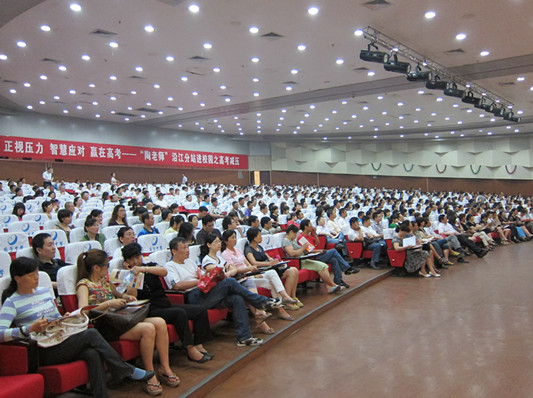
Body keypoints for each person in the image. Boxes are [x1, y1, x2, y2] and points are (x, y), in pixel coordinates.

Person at [0, 257, 156, 398]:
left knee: (92, 353)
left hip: (59, 338)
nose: (36, 278)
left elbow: (55, 317)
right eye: (31, 275)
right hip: (41, 349)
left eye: (37, 274)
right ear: (18, 278)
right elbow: (1, 334)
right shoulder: (12, 302)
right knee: (91, 334)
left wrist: (64, 317)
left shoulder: (44, 293)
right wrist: (29, 329)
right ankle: (124, 370)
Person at [76, 249, 179, 396]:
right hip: (105, 324)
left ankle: (165, 367)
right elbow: (83, 310)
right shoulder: (84, 285)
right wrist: (108, 304)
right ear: (96, 267)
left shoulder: (105, 281)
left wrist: (127, 297)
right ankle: (150, 375)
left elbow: (119, 294)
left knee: (160, 323)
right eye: (106, 265)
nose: (108, 269)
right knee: (148, 329)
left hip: (119, 318)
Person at [164, 237, 283, 346]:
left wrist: (208, 278)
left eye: (188, 247)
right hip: (193, 297)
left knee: (237, 299)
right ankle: (262, 302)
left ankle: (244, 337)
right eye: (184, 248)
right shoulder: (169, 266)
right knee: (230, 282)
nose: (188, 250)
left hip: (205, 291)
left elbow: (202, 275)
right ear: (174, 251)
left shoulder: (190, 262)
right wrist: (200, 280)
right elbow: (178, 286)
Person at [121, 243, 213, 363]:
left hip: (164, 303)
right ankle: (190, 349)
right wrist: (134, 275)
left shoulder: (150, 266)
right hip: (150, 308)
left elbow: (164, 272)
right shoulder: (128, 276)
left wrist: (143, 269)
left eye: (137, 257)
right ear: (127, 261)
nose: (136, 261)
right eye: (131, 259)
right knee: (179, 313)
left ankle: (199, 345)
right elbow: (132, 297)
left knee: (199, 310)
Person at [201, 234, 277, 334]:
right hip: (217, 289)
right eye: (216, 242)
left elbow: (232, 269)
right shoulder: (207, 259)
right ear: (208, 245)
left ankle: (260, 315)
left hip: (228, 283)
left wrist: (229, 271)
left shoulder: (219, 258)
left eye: (219, 241)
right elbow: (217, 273)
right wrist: (228, 271)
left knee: (247, 283)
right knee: (242, 286)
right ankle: (261, 306)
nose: (219, 244)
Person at [241, 228, 301, 310]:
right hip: (264, 270)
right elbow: (254, 263)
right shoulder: (248, 249)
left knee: (294, 270)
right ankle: (285, 299)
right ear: (254, 238)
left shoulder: (259, 247)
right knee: (291, 272)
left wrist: (274, 261)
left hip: (271, 267)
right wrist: (269, 263)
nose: (261, 237)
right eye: (259, 235)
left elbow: (269, 258)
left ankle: (292, 297)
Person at [299, 219, 358, 288]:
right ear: (306, 227)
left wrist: (314, 233)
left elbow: (317, 243)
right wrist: (319, 251)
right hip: (312, 257)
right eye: (310, 225)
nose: (312, 226)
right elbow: (308, 251)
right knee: (333, 251)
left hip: (317, 254)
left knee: (334, 260)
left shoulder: (309, 236)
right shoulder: (301, 237)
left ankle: (338, 280)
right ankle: (347, 268)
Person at [282, 224, 341, 294]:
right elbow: (291, 253)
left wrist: (313, 250)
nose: (295, 236)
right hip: (298, 262)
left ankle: (329, 287)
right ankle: (333, 285)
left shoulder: (293, 240)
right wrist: (303, 248)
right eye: (295, 234)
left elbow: (307, 248)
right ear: (291, 232)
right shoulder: (286, 241)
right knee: (322, 266)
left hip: (304, 258)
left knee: (324, 266)